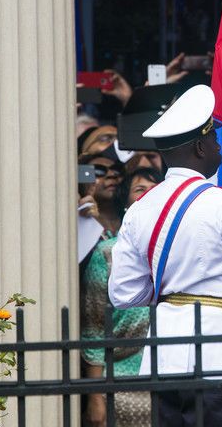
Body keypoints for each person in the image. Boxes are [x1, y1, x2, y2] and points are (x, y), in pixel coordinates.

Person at [108, 84, 222, 426]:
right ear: (200, 147)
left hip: (164, 354)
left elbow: (123, 294)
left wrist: (172, 291)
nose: (220, 147)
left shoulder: (140, 209)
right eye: (215, 140)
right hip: (220, 351)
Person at [81, 167, 162, 427]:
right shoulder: (107, 254)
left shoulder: (182, 249)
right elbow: (94, 331)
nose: (149, 194)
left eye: (155, 189)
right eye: (140, 189)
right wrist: (96, 399)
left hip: (173, 382)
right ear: (126, 205)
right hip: (122, 388)